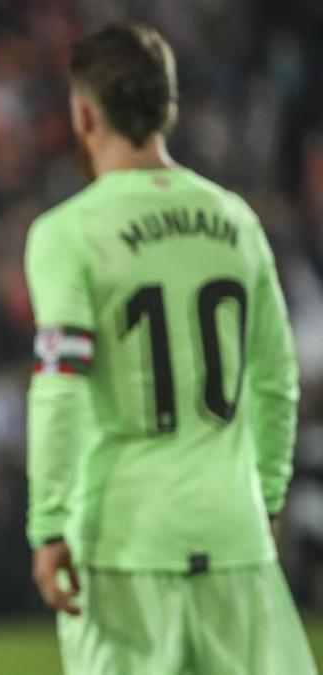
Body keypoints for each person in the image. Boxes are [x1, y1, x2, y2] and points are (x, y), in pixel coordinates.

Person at [25, 21, 316, 674]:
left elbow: (61, 384)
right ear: (168, 109)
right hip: (234, 530)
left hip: (126, 539)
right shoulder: (237, 220)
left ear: (85, 113)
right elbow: (276, 380)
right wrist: (264, 499)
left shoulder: (67, 232)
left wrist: (48, 523)